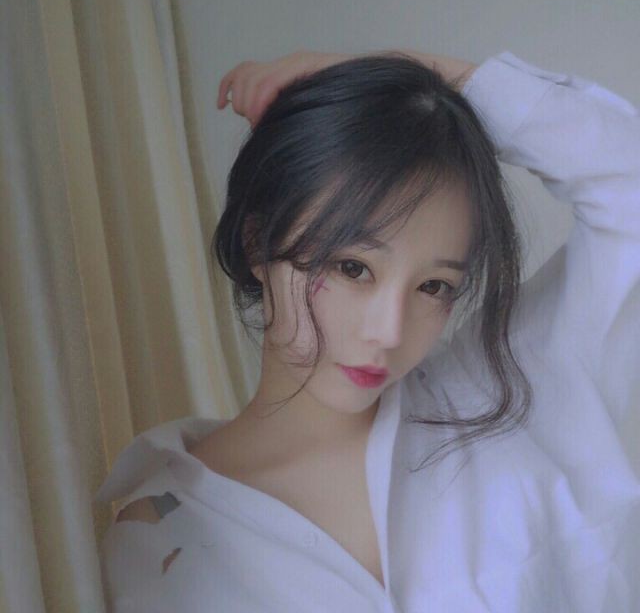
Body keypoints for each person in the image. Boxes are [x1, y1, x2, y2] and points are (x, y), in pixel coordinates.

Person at [94, 48, 640, 612]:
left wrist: (415, 83)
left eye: (434, 286)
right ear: (259, 244)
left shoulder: (503, 396)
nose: (388, 332)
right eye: (352, 269)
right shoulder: (164, 536)